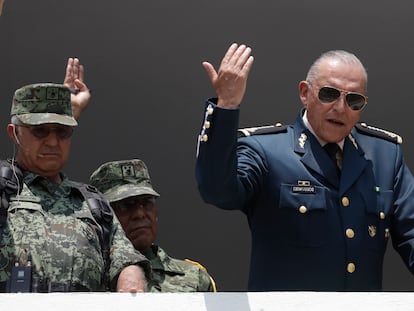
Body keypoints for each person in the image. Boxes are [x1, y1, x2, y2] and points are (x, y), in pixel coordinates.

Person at [195, 43, 414, 291]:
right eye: (329, 95)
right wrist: (226, 106)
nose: (340, 108)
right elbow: (217, 191)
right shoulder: (266, 151)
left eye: (353, 100)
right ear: (304, 93)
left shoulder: (385, 156)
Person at [0, 61, 150, 292]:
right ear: (15, 133)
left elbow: (125, 260)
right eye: (40, 130)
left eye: (62, 131)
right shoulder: (5, 186)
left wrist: (131, 283)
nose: (52, 141)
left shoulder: (92, 203)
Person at [89, 159, 217, 292]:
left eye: (147, 202)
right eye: (125, 205)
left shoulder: (193, 279)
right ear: (102, 215)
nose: (139, 214)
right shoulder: (88, 278)